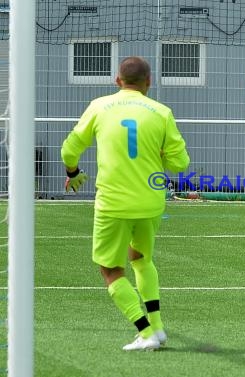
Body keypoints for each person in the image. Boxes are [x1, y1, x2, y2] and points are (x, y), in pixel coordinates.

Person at [61, 56, 190, 350]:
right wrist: (159, 154)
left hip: (113, 203)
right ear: (149, 82)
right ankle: (157, 329)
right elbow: (180, 163)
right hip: (150, 202)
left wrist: (73, 172)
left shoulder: (99, 106)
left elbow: (70, 148)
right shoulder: (161, 112)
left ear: (117, 81)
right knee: (141, 259)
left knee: (110, 270)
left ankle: (145, 332)